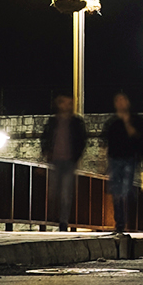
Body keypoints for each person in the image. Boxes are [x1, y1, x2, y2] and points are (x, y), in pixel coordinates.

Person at [102, 92, 143, 234]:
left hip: (131, 159)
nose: (120, 103)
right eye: (117, 100)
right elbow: (106, 143)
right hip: (115, 160)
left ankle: (125, 221)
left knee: (126, 190)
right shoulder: (113, 123)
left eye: (122, 99)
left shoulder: (136, 121)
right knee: (117, 192)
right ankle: (120, 222)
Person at [40, 94, 88, 231]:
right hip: (54, 161)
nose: (67, 106)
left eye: (69, 103)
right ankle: (50, 219)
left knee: (66, 193)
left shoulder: (77, 122)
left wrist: (76, 157)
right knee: (52, 193)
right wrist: (46, 153)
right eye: (64, 103)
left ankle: (63, 222)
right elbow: (45, 138)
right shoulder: (53, 122)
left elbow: (82, 140)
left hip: (68, 162)